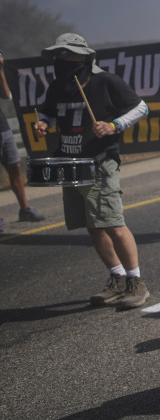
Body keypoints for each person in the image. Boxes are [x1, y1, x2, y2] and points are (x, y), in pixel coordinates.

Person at [32, 33, 151, 309]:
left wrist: (114, 125)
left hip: (99, 161)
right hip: (70, 163)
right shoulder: (58, 86)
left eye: (66, 54)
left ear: (84, 57)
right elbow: (48, 112)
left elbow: (141, 108)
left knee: (113, 223)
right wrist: (44, 123)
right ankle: (116, 277)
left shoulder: (106, 81)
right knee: (92, 224)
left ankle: (136, 282)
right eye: (57, 56)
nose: (61, 60)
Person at [0, 51, 46, 232]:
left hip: (3, 128)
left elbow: (6, 95)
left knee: (15, 168)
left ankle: (25, 208)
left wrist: (1, 69)